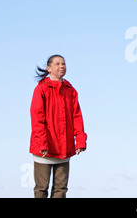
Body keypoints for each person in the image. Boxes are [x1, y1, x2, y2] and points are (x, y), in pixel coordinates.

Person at [29, 54, 87, 198]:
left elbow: (77, 117)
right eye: (57, 64)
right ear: (49, 68)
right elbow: (37, 118)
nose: (61, 66)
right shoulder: (41, 89)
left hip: (64, 149)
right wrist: (42, 143)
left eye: (63, 64)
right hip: (44, 149)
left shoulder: (70, 90)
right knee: (41, 189)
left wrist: (80, 141)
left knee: (61, 189)